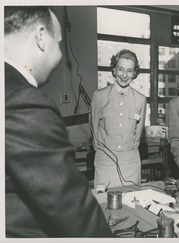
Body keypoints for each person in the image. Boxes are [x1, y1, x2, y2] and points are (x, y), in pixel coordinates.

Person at [5, 6, 112, 237]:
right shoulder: (23, 100)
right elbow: (69, 205)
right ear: (42, 37)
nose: (61, 54)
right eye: (60, 44)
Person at [91, 49, 147, 188]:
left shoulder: (140, 100)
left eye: (129, 71)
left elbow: (138, 134)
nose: (124, 75)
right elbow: (94, 127)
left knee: (132, 203)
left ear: (134, 74)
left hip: (131, 164)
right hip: (105, 161)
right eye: (121, 69)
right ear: (114, 70)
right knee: (104, 204)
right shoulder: (99, 96)